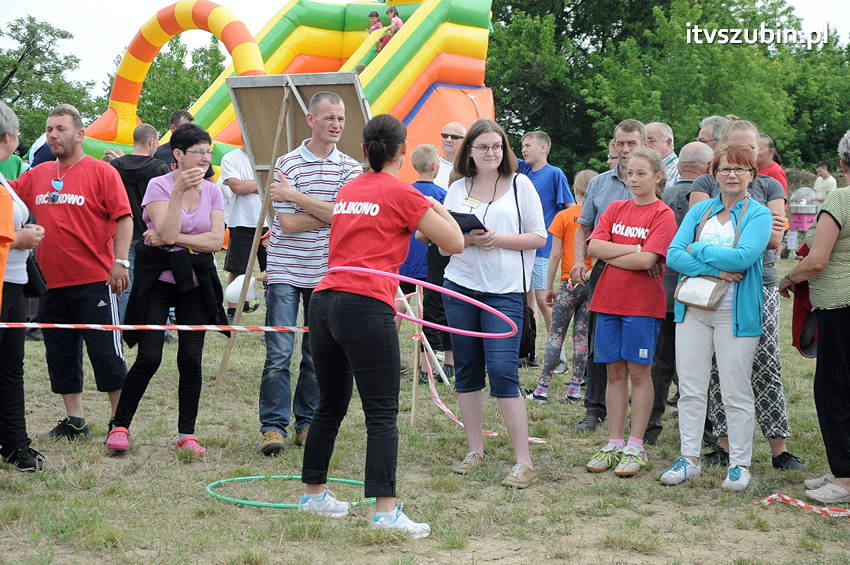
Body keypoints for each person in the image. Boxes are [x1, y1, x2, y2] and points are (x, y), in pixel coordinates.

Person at [299, 114, 463, 537]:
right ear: (402, 151)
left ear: (364, 149)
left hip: (324, 300)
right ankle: (385, 510)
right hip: (363, 304)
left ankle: (314, 494)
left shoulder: (349, 189)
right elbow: (454, 242)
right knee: (382, 411)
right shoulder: (402, 192)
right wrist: (435, 204)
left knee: (329, 404)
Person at [105, 123, 227, 456]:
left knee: (191, 358)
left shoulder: (213, 191)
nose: (205, 158)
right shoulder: (158, 185)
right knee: (149, 357)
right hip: (158, 279)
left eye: (208, 152)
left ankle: (187, 433)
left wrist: (173, 240)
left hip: (196, 281)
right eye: (198, 152)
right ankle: (119, 425)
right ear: (178, 155)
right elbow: (167, 228)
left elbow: (215, 241)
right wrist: (176, 197)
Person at [11, 106, 132, 440]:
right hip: (51, 283)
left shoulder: (102, 172)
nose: (53, 135)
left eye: (61, 128)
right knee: (61, 354)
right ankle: (75, 420)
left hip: (95, 280)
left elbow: (124, 218)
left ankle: (118, 422)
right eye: (49, 129)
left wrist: (120, 262)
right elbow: (8, 199)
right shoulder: (37, 174)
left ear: (79, 134)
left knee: (106, 354)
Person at [690, 119, 803, 470]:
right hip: (710, 285)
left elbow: (772, 240)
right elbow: (695, 232)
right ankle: (724, 444)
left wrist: (721, 242)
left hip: (759, 282)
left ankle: (778, 448)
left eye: (750, 151)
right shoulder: (704, 182)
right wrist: (745, 235)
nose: (740, 163)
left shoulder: (770, 185)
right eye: (735, 152)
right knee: (715, 364)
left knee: (765, 360)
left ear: (758, 153)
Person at [441, 119, 547, 489]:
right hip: (460, 286)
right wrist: (467, 240)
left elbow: (538, 237)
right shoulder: (456, 189)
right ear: (469, 150)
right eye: (483, 146)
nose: (491, 152)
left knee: (503, 371)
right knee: (467, 370)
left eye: (497, 146)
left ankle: (524, 461)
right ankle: (476, 451)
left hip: (504, 290)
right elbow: (444, 243)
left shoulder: (522, 186)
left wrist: (498, 239)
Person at [660, 142, 772, 491]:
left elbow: (743, 259)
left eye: (740, 168)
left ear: (752, 175)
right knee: (691, 388)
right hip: (693, 309)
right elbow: (674, 255)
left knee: (735, 390)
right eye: (725, 168)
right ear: (715, 173)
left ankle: (739, 464)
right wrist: (716, 267)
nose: (732, 174)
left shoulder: (759, 214)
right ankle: (689, 457)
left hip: (735, 314)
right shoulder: (700, 210)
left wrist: (700, 250)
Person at [258, 92, 362, 456]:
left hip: (325, 272)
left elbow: (344, 216)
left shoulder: (350, 167)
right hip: (286, 268)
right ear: (310, 120)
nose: (336, 124)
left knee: (316, 354)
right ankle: (272, 427)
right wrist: (327, 210)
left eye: (341, 118)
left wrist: (298, 197)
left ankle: (306, 423)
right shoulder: (287, 164)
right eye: (329, 118)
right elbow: (285, 223)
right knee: (279, 352)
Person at [583, 148, 677, 478]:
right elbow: (593, 247)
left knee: (640, 373)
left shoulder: (662, 214)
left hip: (642, 306)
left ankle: (635, 444)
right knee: (613, 373)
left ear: (657, 176)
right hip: (607, 302)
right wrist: (633, 249)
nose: (634, 179)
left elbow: (648, 261)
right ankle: (614, 441)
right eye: (629, 173)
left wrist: (619, 255)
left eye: (641, 173)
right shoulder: (615, 208)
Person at [777, 131, 850, 505]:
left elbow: (818, 259)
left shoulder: (839, 198)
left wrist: (788, 278)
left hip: (840, 308)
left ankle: (845, 478)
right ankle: (842, 468)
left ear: (842, 164)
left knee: (833, 392)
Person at [571, 119, 646, 433]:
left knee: (643, 344)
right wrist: (579, 262)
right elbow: (584, 228)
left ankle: (646, 416)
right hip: (603, 271)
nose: (625, 149)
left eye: (632, 143)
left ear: (645, 144)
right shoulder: (600, 183)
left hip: (646, 271)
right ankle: (595, 408)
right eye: (620, 143)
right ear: (613, 146)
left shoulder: (657, 182)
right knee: (599, 339)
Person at [645, 141, 714, 445]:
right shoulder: (710, 201)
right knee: (699, 367)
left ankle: (648, 427)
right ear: (708, 168)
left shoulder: (661, 199)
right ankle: (707, 432)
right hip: (697, 295)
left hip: (662, 292)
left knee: (659, 365)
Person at [526, 169, 597, 403]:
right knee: (581, 337)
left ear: (575, 189)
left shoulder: (564, 217)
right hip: (590, 282)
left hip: (568, 282)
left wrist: (548, 286)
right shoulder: (598, 218)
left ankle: (543, 388)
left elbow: (555, 254)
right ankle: (575, 388)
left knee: (556, 334)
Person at [0, 101, 44, 471]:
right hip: (2, 285)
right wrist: (20, 238)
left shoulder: (4, 178)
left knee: (11, 367)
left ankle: (14, 444)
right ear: (9, 138)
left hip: (13, 284)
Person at [518, 130, 574, 358]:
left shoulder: (555, 174)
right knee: (528, 298)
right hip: (522, 246)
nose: (523, 149)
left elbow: (570, 209)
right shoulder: (524, 170)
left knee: (543, 300)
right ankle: (530, 349)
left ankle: (557, 355)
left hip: (543, 248)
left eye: (528, 145)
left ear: (544, 148)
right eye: (522, 145)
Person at [109, 124, 171, 322]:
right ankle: (155, 327)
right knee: (155, 284)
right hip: (150, 234)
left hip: (121, 233)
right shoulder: (159, 168)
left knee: (123, 285)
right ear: (152, 142)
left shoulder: (116, 167)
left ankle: (119, 325)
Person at [403, 144, 453, 376]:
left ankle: (392, 354)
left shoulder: (405, 193)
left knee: (397, 307)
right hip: (431, 264)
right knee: (431, 312)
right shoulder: (443, 196)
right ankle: (434, 364)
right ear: (435, 167)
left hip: (405, 262)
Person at [219, 145, 267, 322]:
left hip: (270, 223)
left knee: (272, 271)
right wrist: (265, 183)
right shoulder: (231, 158)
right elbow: (237, 187)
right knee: (238, 269)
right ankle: (232, 312)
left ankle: (273, 315)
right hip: (241, 221)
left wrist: (251, 185)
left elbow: (282, 184)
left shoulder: (271, 157)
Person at [154, 110, 214, 179]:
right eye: (186, 128)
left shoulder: (201, 152)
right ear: (173, 128)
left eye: (192, 128)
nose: (190, 132)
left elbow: (210, 180)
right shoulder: (159, 154)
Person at [646, 122, 680, 188]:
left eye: (651, 141)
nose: (646, 145)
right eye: (644, 142)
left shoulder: (679, 171)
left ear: (668, 142)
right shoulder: (640, 169)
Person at [435, 122, 466, 189]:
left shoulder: (468, 167)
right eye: (445, 136)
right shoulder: (431, 165)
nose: (448, 140)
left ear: (464, 141)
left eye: (454, 137)